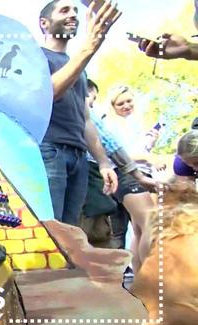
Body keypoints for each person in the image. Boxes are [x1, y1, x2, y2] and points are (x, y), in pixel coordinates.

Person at [38, 0, 119, 225]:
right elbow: (48, 93)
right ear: (44, 23)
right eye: (64, 10)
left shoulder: (79, 68)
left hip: (79, 157)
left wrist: (103, 162)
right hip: (49, 151)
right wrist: (89, 47)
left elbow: (85, 119)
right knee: (51, 232)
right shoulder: (36, 56)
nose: (73, 14)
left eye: (75, 10)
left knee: (71, 235)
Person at [83, 81, 156, 273]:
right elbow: (114, 149)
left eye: (129, 101)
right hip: (124, 174)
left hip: (126, 174)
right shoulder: (107, 122)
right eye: (120, 103)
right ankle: (153, 275)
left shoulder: (134, 123)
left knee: (138, 230)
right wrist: (144, 163)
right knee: (150, 221)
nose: (126, 106)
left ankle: (140, 278)